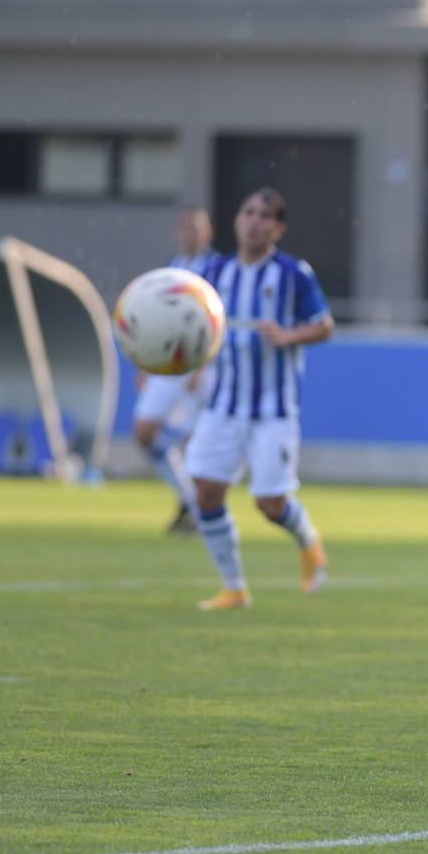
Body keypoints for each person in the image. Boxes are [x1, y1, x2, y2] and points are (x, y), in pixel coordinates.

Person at [185, 188, 335, 610]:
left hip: (274, 409)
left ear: (278, 229)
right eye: (248, 212)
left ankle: (308, 541)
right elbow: (195, 325)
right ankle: (234, 588)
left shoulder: (292, 274)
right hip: (223, 406)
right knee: (206, 492)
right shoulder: (213, 272)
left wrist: (290, 335)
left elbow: (324, 325)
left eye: (265, 216)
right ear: (236, 221)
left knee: (270, 504)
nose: (255, 221)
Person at [130, 206, 217, 535]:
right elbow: (154, 318)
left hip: (201, 364)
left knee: (198, 441)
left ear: (208, 232)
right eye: (186, 227)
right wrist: (145, 361)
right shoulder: (171, 268)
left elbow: (217, 319)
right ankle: (189, 498)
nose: (191, 233)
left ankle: (197, 509)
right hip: (167, 365)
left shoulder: (217, 267)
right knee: (144, 432)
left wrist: (203, 365)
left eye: (197, 227)